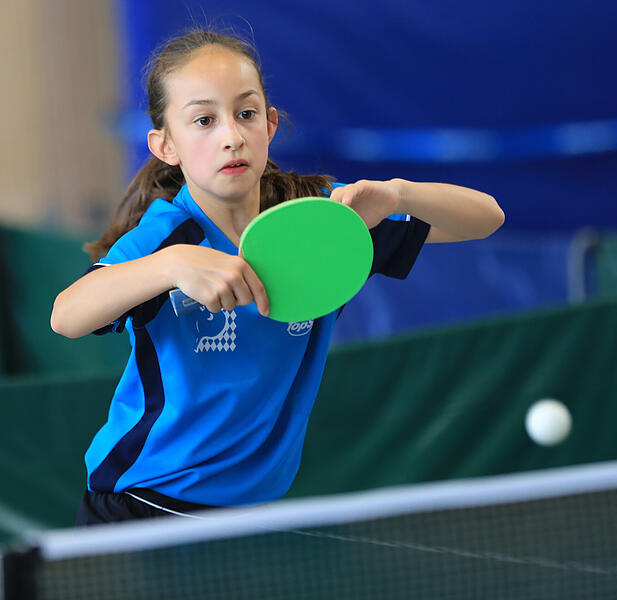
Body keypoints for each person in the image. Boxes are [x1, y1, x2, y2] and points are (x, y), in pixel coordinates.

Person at [50, 29, 504, 524]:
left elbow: (486, 218)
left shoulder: (323, 223)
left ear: (269, 125)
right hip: (143, 507)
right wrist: (170, 266)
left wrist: (400, 194)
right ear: (165, 146)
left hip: (250, 514)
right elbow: (66, 316)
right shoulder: (165, 237)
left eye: (246, 114)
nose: (231, 135)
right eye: (204, 120)